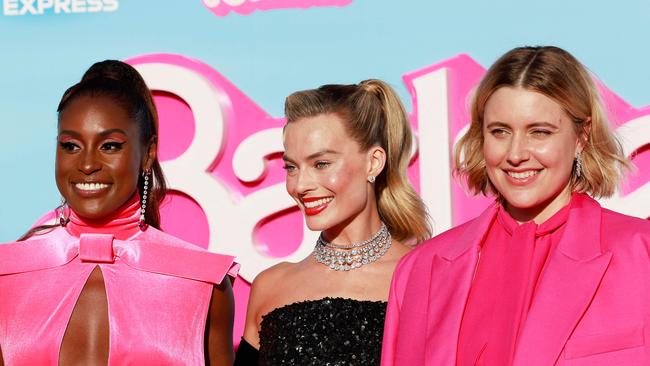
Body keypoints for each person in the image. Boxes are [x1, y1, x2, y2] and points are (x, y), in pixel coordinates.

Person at [381, 45, 650, 366]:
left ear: (582, 136)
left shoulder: (640, 252)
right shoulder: (420, 271)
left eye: (539, 132)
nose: (516, 153)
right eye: (500, 132)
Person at [0, 60, 239, 366]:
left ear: (148, 153)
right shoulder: (7, 276)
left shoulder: (205, 285)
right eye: (71, 146)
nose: (87, 164)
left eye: (110, 146)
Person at [234, 80, 431, 365]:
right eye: (291, 167)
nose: (301, 185)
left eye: (321, 164)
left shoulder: (425, 276)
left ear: (373, 162)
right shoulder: (270, 287)